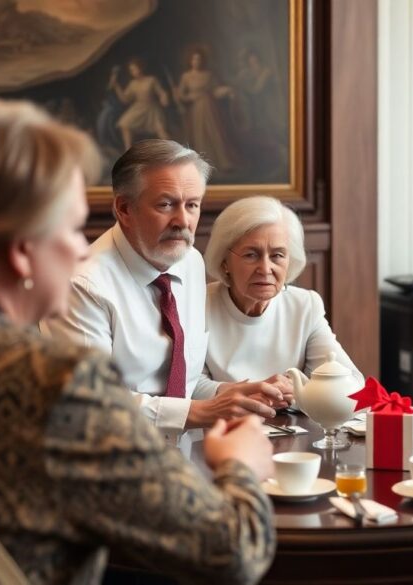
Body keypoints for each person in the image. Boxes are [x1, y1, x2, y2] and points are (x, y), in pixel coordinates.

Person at [0, 99, 275, 585]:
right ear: (22, 251)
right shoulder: (57, 383)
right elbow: (233, 552)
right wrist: (240, 467)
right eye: (69, 228)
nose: (79, 249)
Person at [45, 139, 282, 465]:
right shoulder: (82, 285)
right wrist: (202, 411)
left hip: (182, 461)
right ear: (124, 209)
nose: (183, 221)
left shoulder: (190, 261)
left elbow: (178, 383)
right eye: (166, 205)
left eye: (192, 205)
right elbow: (89, 405)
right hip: (106, 466)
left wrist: (230, 394)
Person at [202, 195, 363, 409]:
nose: (265, 268)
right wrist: (247, 393)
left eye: (277, 255)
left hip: (291, 427)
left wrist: (297, 394)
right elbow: (189, 385)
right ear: (224, 261)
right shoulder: (198, 305)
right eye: (251, 255)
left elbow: (353, 385)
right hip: (219, 424)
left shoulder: (305, 306)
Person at [175, 46, 242, 175]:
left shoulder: (208, 75)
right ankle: (203, 165)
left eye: (199, 59)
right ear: (190, 61)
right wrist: (187, 96)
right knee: (200, 135)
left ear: (202, 60)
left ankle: (223, 162)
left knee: (215, 133)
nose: (196, 62)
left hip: (210, 108)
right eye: (194, 59)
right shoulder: (186, 76)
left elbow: (215, 91)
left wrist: (227, 90)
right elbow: (182, 95)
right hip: (196, 110)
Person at [109, 57, 170, 149]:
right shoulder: (133, 84)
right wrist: (116, 86)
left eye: (134, 69)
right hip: (139, 108)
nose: (133, 72)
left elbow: (161, 92)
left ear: (140, 68)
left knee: (161, 131)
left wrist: (164, 98)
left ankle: (172, 151)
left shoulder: (151, 79)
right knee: (124, 124)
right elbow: (125, 100)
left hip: (152, 108)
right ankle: (128, 149)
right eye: (131, 70)